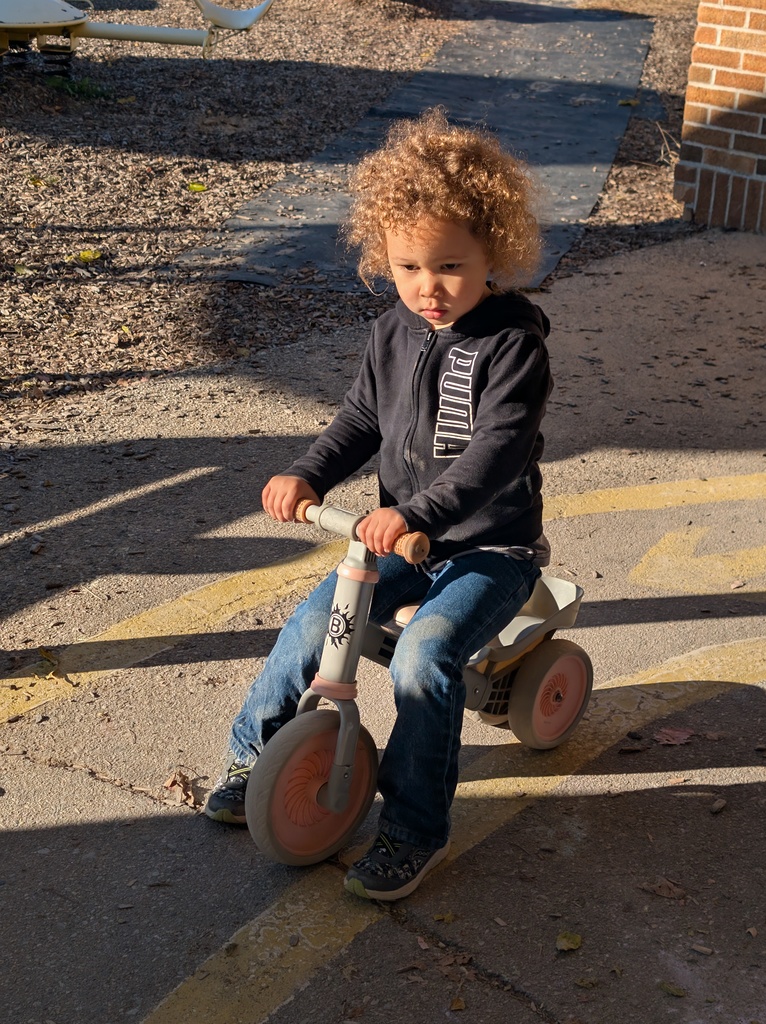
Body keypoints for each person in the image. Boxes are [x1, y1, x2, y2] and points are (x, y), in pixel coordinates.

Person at [204, 107, 553, 901]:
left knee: (425, 661)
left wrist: (420, 513)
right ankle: (253, 758)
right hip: (395, 542)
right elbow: (362, 419)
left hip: (485, 551)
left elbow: (497, 452)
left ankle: (413, 827)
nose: (427, 289)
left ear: (492, 253)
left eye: (449, 268)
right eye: (406, 268)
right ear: (381, 260)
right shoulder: (392, 331)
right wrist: (309, 475)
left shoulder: (512, 348)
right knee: (311, 622)